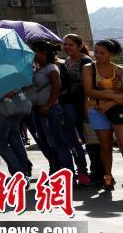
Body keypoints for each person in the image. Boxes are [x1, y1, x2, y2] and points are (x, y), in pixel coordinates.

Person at [82, 39, 123, 190]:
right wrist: (114, 97)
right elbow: (89, 91)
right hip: (97, 111)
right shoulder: (88, 68)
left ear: (111, 54)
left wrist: (110, 104)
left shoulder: (119, 70)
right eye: (96, 52)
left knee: (122, 144)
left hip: (118, 111)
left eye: (102, 53)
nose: (97, 55)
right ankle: (108, 177)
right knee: (105, 147)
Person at [29, 42, 74, 174]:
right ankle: (54, 170)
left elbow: (57, 88)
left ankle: (68, 173)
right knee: (45, 143)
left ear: (44, 53)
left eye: (35, 51)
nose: (33, 54)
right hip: (38, 110)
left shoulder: (51, 68)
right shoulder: (38, 68)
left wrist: (48, 105)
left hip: (50, 110)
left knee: (58, 142)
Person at [60, 34, 93, 186]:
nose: (66, 47)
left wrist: (86, 106)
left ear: (79, 46)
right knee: (71, 139)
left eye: (70, 44)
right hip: (69, 104)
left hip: (81, 104)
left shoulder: (85, 61)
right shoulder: (67, 61)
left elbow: (88, 87)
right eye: (65, 44)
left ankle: (91, 171)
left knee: (89, 140)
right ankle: (82, 171)